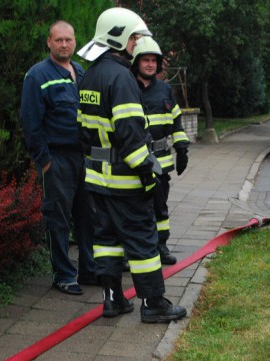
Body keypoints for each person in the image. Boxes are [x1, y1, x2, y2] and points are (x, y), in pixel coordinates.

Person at [77, 7, 187, 323]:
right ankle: (154, 304)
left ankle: (112, 301)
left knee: (107, 242)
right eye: (134, 36)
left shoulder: (90, 75)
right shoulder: (121, 77)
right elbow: (130, 133)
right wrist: (147, 174)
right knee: (143, 243)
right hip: (126, 184)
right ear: (120, 35)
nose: (136, 43)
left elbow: (81, 131)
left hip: (97, 182)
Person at [21, 20, 95, 295]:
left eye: (69, 40)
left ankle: (89, 269)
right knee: (58, 218)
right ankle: (63, 275)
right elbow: (30, 123)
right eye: (59, 40)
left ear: (75, 42)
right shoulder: (37, 76)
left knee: (88, 217)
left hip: (83, 158)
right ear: (49, 43)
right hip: (57, 158)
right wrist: (44, 160)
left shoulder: (80, 71)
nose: (64, 44)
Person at [131, 36, 190, 265]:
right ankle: (133, 249)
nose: (150, 64)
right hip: (135, 160)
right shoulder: (126, 86)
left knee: (160, 206)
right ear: (137, 62)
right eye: (145, 60)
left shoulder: (165, 89)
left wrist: (182, 148)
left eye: (154, 61)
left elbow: (176, 120)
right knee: (135, 206)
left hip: (161, 161)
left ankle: (161, 245)